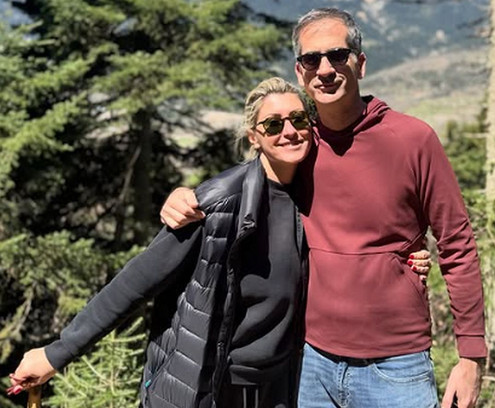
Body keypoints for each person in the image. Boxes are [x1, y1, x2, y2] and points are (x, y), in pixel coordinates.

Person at [161, 8, 485, 408]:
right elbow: (244, 187)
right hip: (310, 363)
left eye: (337, 55)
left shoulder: (413, 140)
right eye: (312, 59)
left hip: (397, 366)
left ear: (360, 63)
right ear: (301, 72)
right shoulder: (297, 145)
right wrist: (185, 195)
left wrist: (471, 356)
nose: (326, 69)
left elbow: (457, 244)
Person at [8, 77, 316, 408]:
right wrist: (56, 353)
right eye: (273, 124)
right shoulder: (218, 203)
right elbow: (136, 281)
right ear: (254, 136)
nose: (289, 131)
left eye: (298, 119)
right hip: (212, 387)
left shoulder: (310, 193)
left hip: (280, 385)